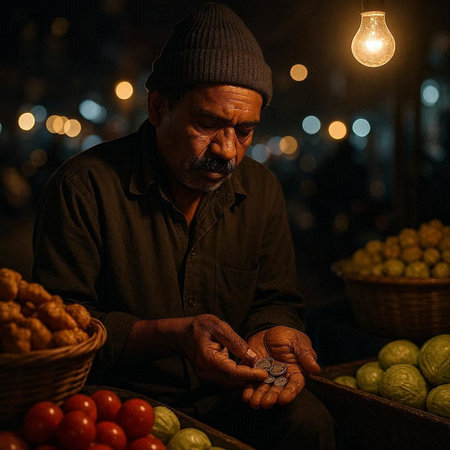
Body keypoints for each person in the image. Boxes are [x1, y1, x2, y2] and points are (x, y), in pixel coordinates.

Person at [32, 3, 337, 449]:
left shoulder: (263, 190)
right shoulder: (84, 186)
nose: (228, 151)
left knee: (311, 423)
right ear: (158, 108)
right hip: (125, 396)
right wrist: (174, 336)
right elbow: (60, 321)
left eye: (245, 131)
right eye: (208, 124)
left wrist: (274, 329)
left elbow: (276, 300)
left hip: (234, 389)